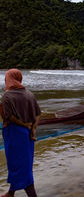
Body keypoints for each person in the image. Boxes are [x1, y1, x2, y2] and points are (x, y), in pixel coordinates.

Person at [0, 69, 41, 197]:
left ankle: (32, 195)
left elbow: (10, 117)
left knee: (18, 165)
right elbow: (38, 114)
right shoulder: (29, 94)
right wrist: (33, 129)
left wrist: (24, 124)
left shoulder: (7, 96)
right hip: (28, 134)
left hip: (14, 134)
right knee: (23, 164)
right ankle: (11, 193)